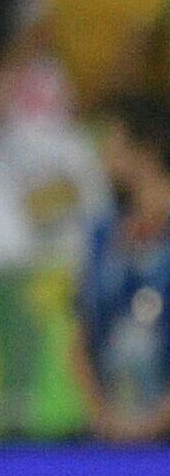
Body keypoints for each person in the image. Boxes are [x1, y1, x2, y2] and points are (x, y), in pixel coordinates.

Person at [76, 98, 170, 443]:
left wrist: (157, 421)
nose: (102, 152)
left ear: (145, 151)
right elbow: (81, 335)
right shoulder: (102, 234)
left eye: (113, 141)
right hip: (114, 435)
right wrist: (105, 417)